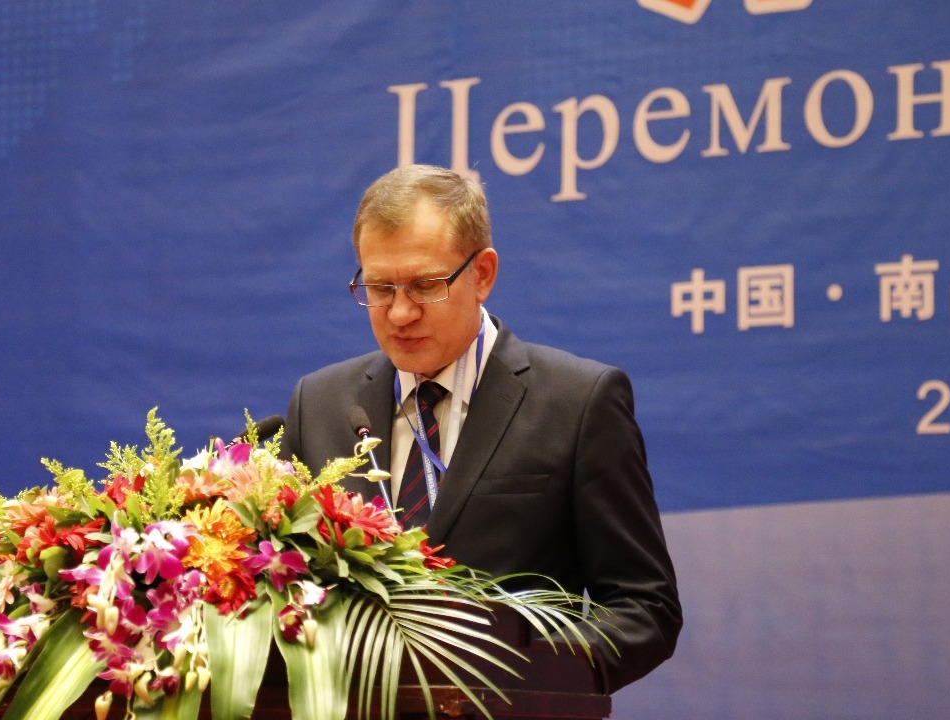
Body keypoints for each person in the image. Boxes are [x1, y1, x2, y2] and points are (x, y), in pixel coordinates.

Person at [280, 164, 681, 693]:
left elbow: (644, 607)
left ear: (483, 274)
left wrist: (517, 676)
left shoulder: (577, 402)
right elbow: (283, 586)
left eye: (425, 286)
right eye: (379, 288)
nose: (399, 313)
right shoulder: (319, 403)